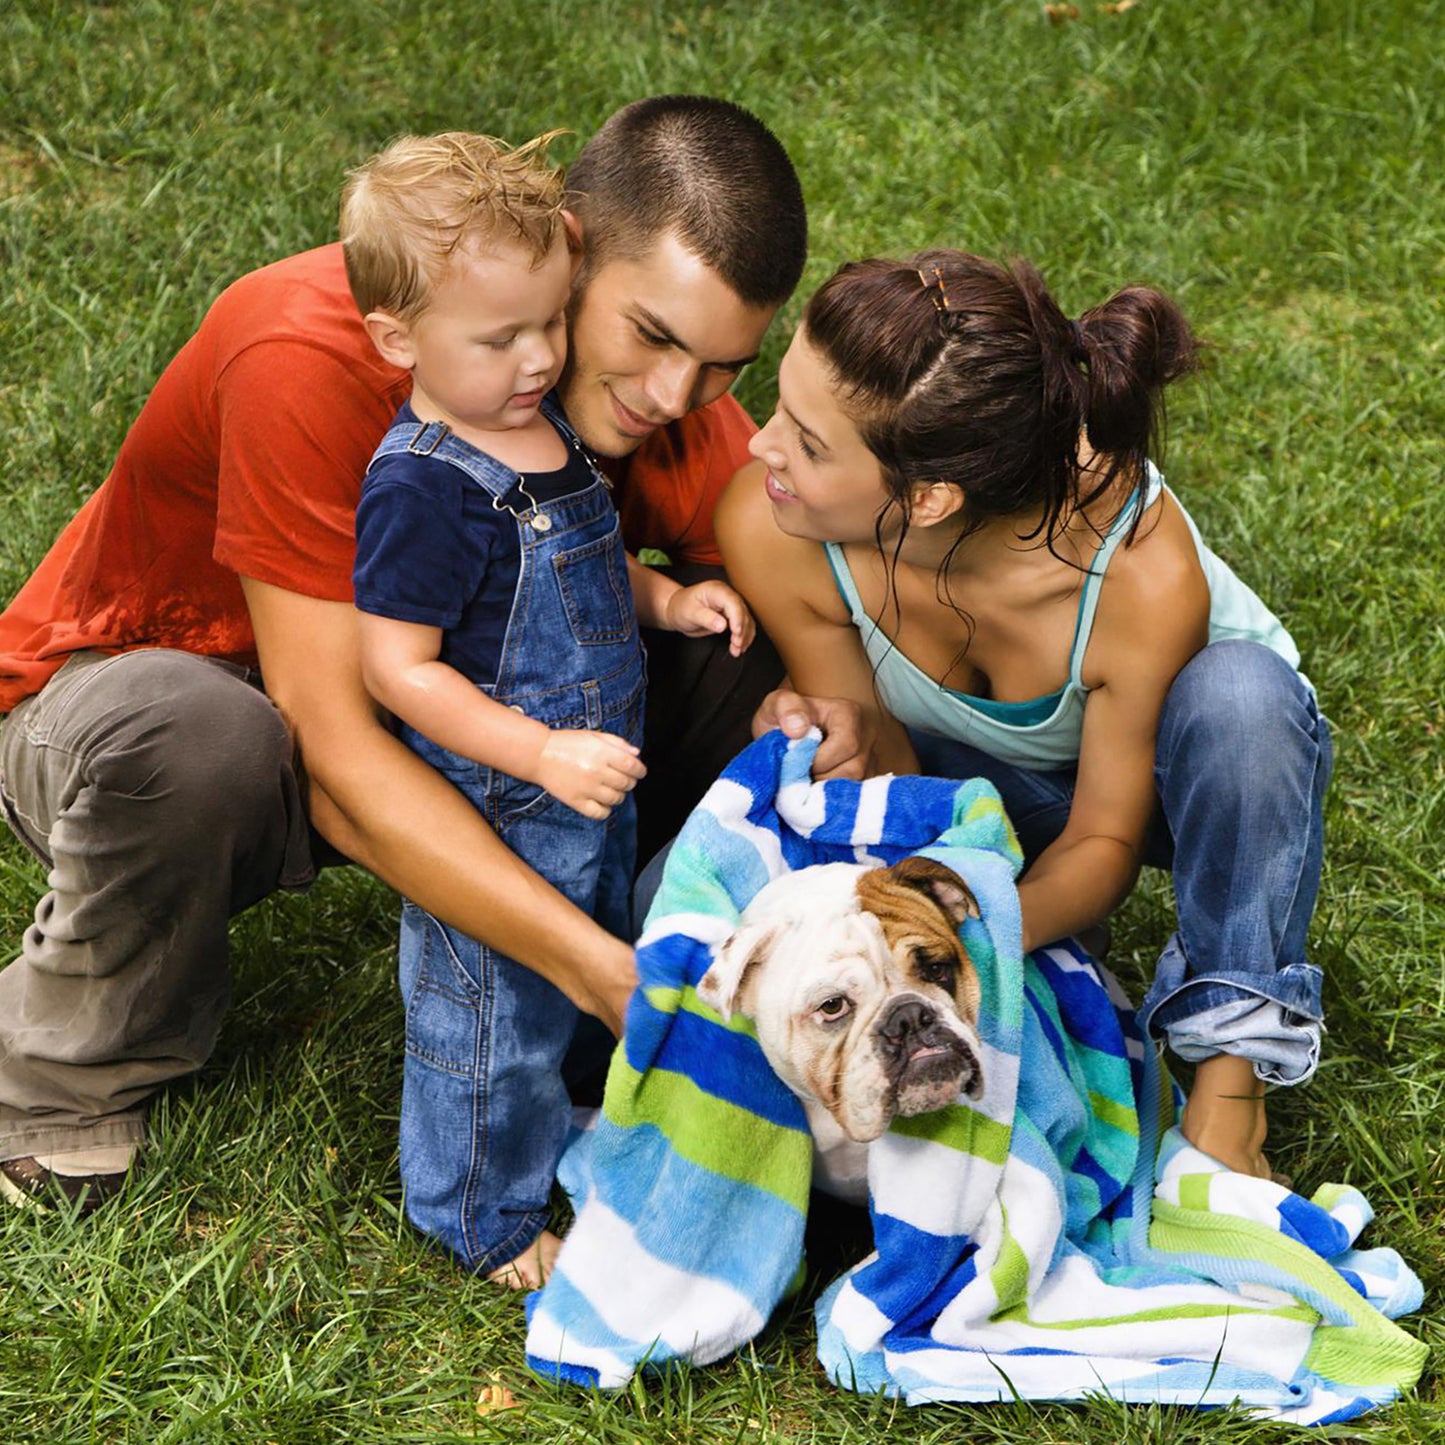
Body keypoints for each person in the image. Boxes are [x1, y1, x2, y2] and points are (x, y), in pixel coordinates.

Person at [0, 96, 805, 1218]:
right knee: (208, 741)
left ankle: (665, 976)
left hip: (442, 708)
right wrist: (590, 964)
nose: (674, 396)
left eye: (720, 365)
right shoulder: (303, 349)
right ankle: (57, 1076)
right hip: (154, 702)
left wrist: (834, 704)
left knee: (744, 654)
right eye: (654, 336)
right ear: (569, 247)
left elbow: (783, 558)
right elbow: (332, 747)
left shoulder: (649, 383)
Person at [718, 250, 1331, 1180]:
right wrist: (835, 737)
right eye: (780, 408)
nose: (760, 446)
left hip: (1195, 787)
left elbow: (1104, 846)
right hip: (977, 782)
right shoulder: (773, 526)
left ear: (927, 499)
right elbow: (891, 769)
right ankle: (1061, 975)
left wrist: (966, 929)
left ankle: (1229, 1075)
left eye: (806, 442)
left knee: (1240, 695)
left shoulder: (1138, 571)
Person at [342, 131, 754, 1286]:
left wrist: (666, 600)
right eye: (499, 338)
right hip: (499, 799)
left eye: (548, 325)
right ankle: (478, 1211)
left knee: (574, 973)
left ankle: (567, 1116)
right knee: (488, 1018)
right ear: (395, 337)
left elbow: (588, 555)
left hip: (585, 778)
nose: (535, 359)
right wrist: (537, 749)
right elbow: (397, 669)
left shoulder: (539, 427)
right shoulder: (424, 481)